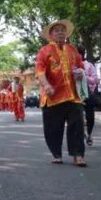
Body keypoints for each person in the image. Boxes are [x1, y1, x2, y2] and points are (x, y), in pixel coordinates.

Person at [35, 19, 86, 167]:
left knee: (77, 125)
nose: (60, 32)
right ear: (50, 34)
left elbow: (81, 66)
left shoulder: (73, 50)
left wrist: (80, 73)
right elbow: (39, 71)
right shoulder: (44, 51)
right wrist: (46, 85)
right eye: (56, 30)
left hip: (73, 96)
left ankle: (78, 155)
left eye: (62, 30)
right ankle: (56, 153)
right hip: (52, 97)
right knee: (53, 128)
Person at [77, 45, 99, 145]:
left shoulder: (89, 65)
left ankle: (89, 134)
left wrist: (84, 76)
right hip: (75, 95)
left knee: (91, 117)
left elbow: (95, 79)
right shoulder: (71, 66)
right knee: (77, 116)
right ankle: (83, 133)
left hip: (88, 94)